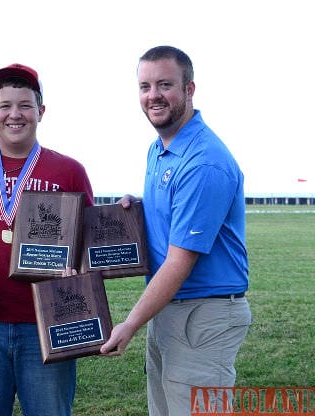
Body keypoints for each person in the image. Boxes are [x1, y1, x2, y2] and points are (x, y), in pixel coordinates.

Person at [100, 46, 252, 415]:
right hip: (171, 310)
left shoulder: (204, 161)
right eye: (145, 86)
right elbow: (171, 220)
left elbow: (179, 261)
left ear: (189, 89)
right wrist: (136, 212)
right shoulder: (161, 148)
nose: (153, 95)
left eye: (165, 84)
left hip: (203, 316)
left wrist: (130, 324)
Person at [0, 63, 94, 416]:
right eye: (5, 105)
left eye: (25, 105)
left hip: (47, 325)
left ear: (41, 111)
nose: (15, 115)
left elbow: (87, 242)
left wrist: (78, 270)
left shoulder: (68, 170)